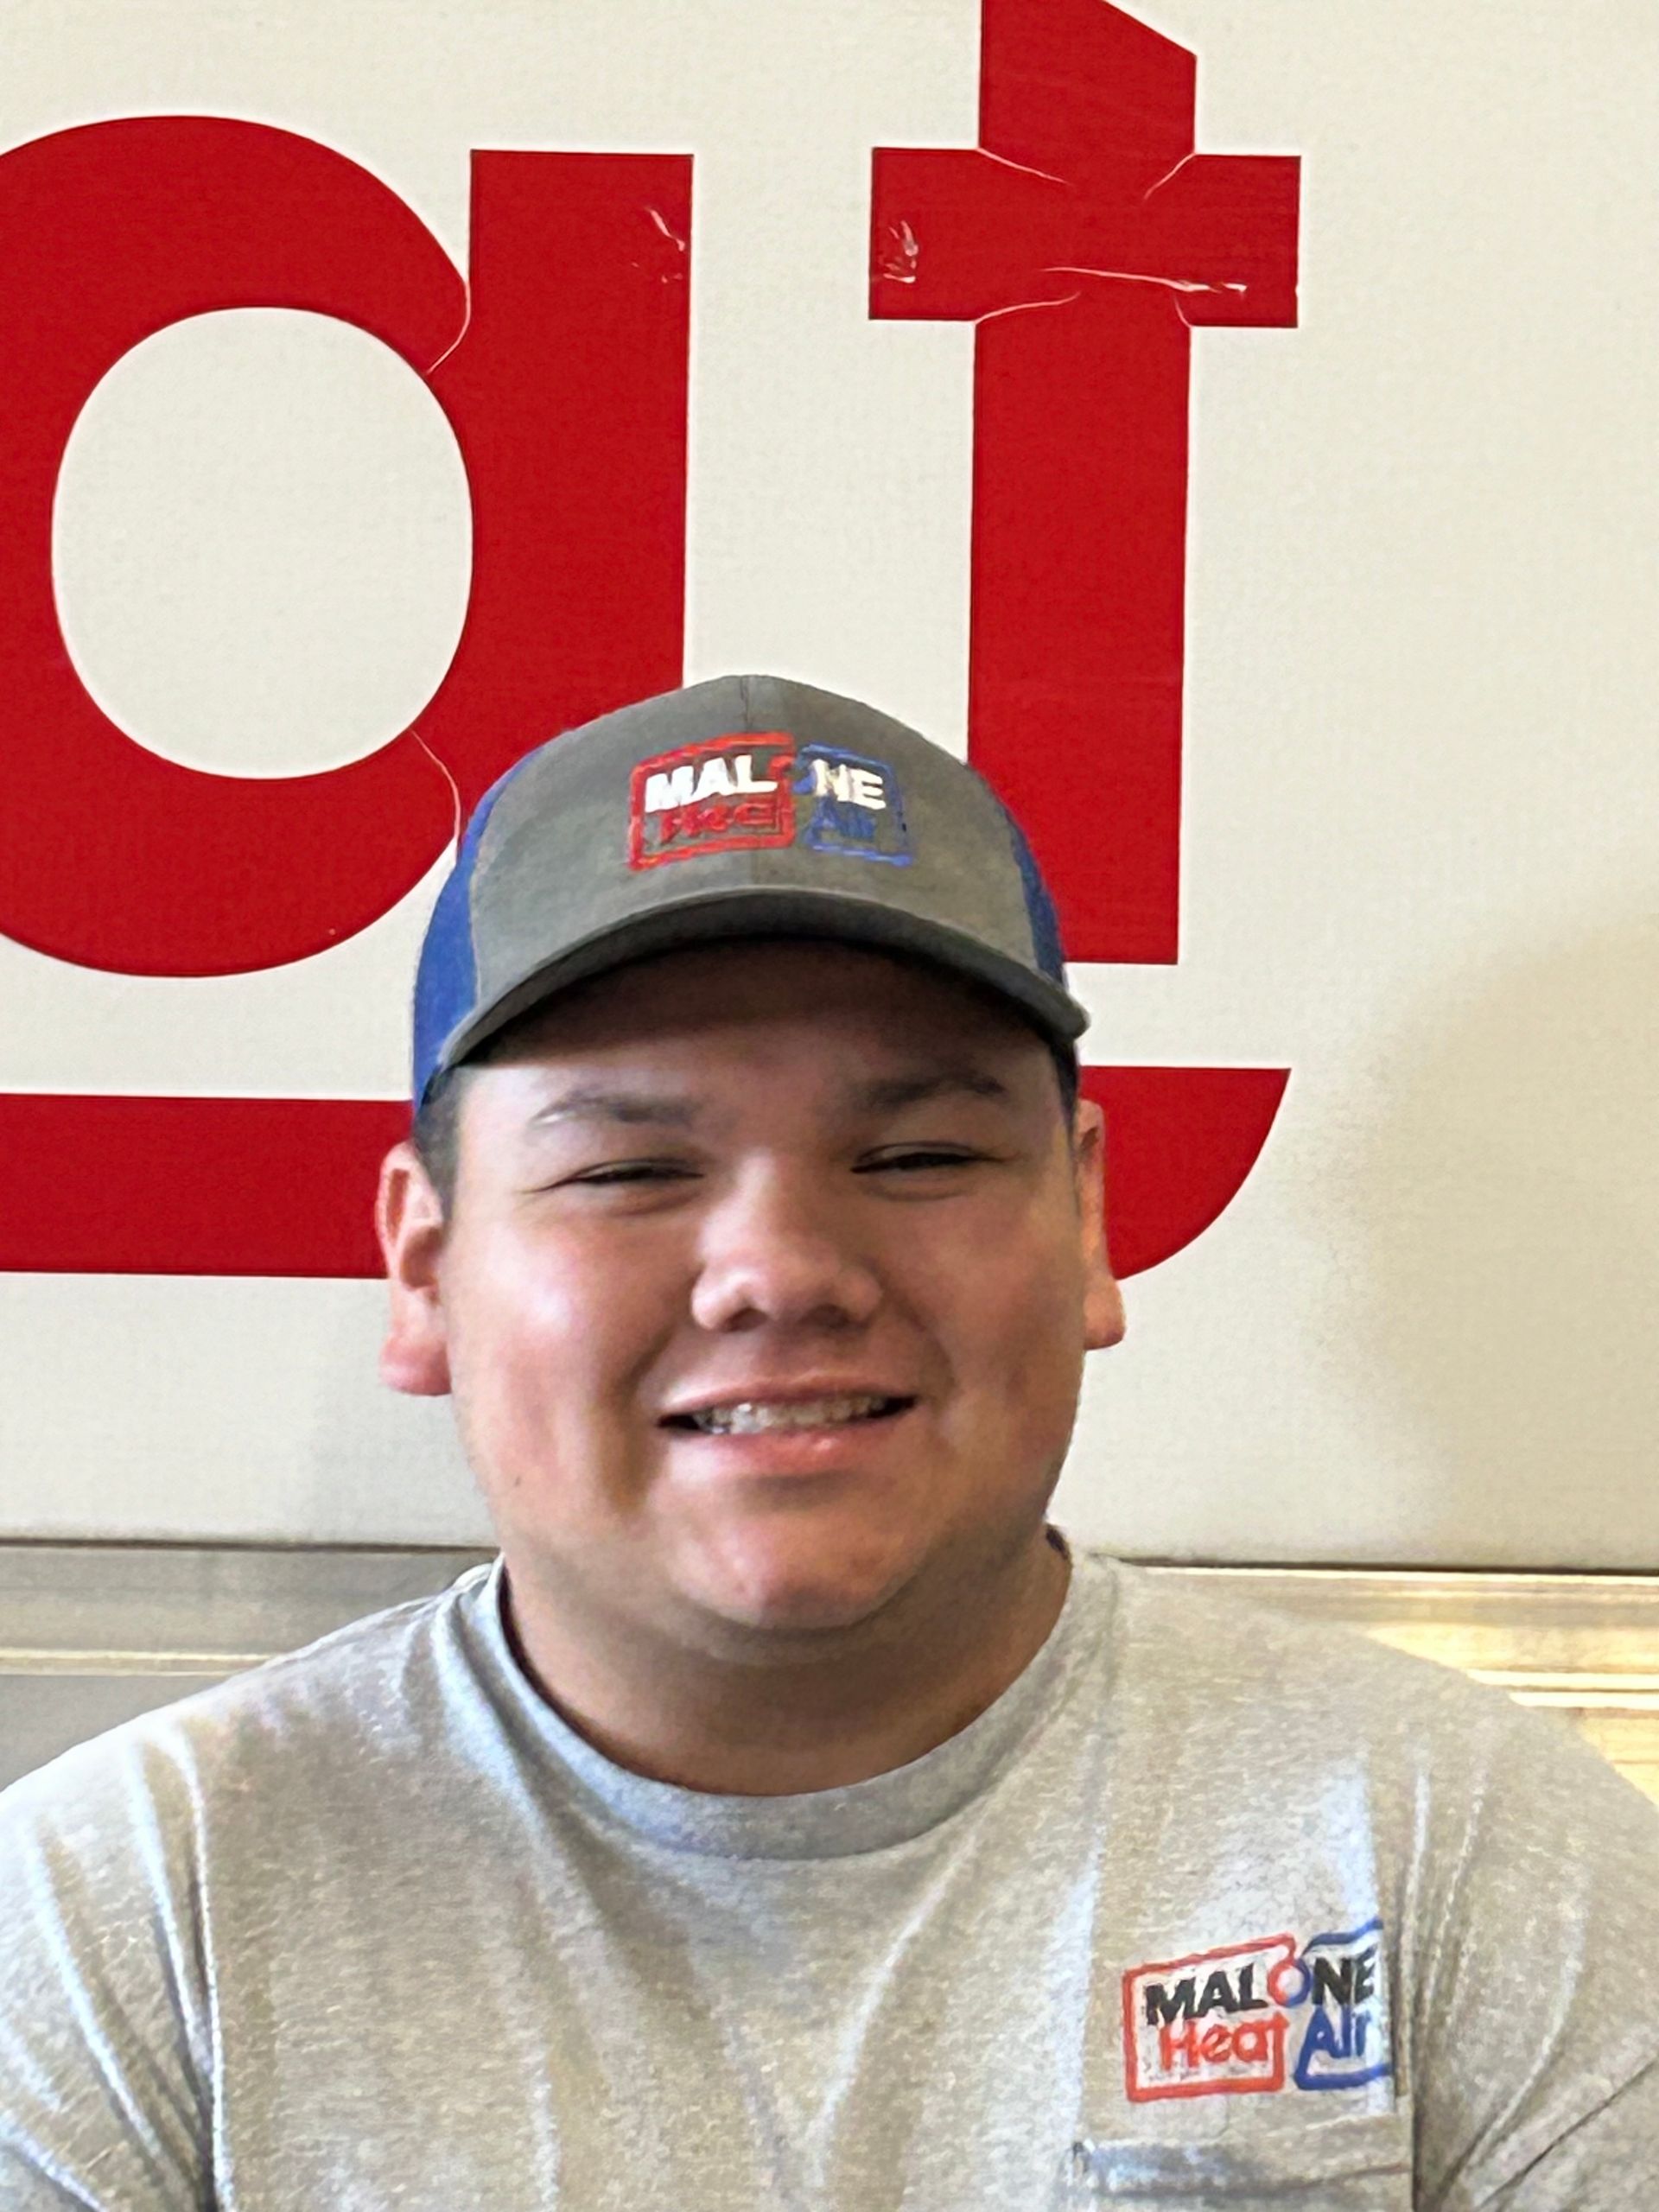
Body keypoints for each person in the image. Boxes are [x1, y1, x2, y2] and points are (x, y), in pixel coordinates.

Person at [1, 674, 1656, 2209]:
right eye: (631, 1172)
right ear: (427, 1268)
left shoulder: (1471, 1858)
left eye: (920, 1154)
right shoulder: (129, 1924)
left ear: (1087, 1219)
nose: (781, 1271)